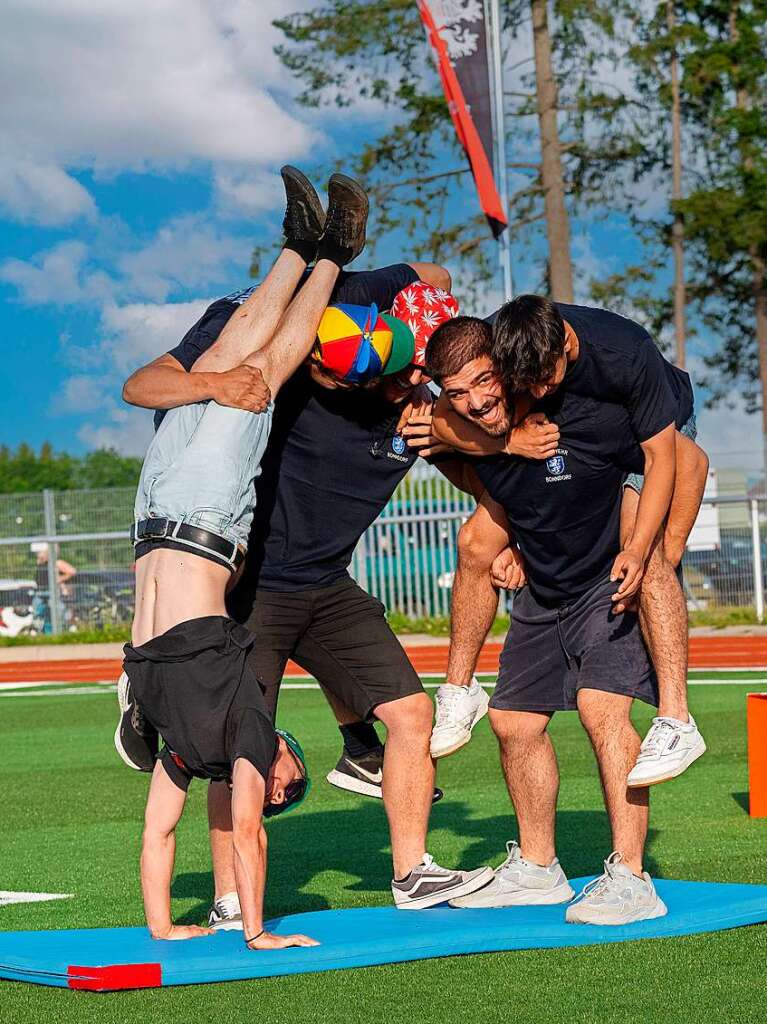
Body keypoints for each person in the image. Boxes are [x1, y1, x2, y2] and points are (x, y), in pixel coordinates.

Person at [120, 189, 493, 922]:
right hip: (251, 589)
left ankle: (411, 871)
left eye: (379, 377)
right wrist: (343, 272)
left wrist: (459, 452)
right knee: (234, 750)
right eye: (339, 366)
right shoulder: (298, 354)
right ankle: (231, 898)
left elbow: (442, 292)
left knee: (411, 716)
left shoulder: (417, 404)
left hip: (323, 585)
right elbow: (426, 274)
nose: (351, 381)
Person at [124, 165, 368, 948]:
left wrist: (218, 933)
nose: (289, 767)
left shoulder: (208, 754)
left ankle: (317, 250)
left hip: (171, 513)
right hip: (187, 523)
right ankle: (313, 254)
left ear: (269, 792)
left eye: (285, 782)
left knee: (238, 368)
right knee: (245, 371)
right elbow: (177, 838)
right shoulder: (214, 741)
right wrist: (195, 931)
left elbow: (174, 837)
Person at [418, 314, 689, 924]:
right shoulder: (472, 427)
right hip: (543, 587)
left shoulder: (585, 411)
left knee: (602, 709)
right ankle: (539, 869)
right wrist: (509, 527)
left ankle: (632, 877)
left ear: (510, 371)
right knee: (513, 722)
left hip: (607, 580)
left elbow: (679, 458)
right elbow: (442, 436)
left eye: (485, 382)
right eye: (457, 393)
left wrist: (649, 552)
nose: (476, 400)